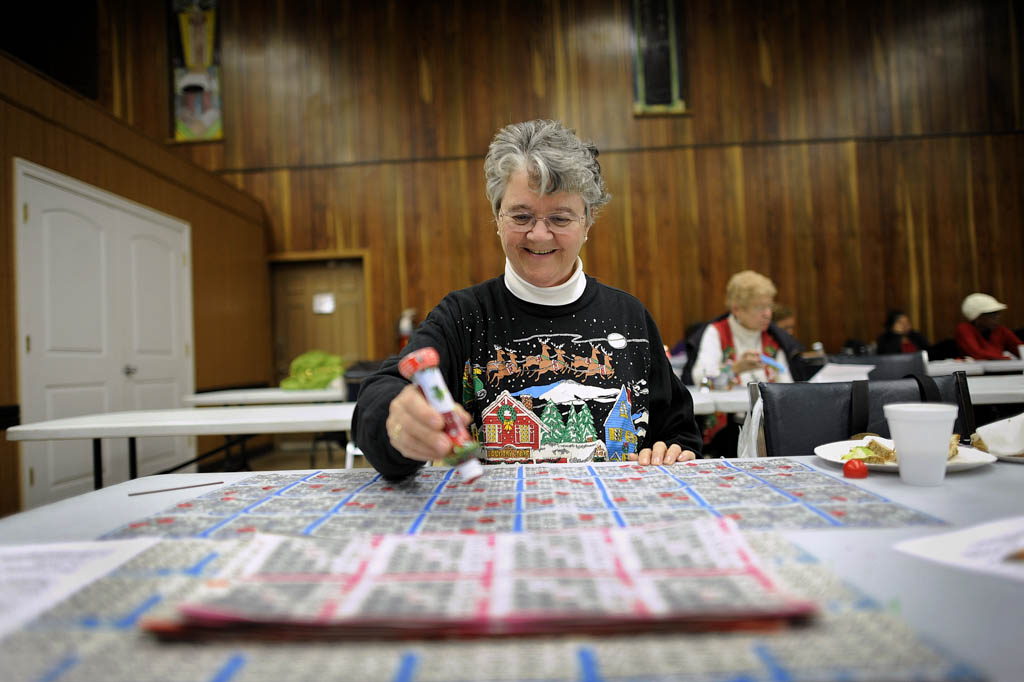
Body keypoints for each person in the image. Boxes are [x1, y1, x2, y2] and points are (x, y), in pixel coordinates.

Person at [352, 120, 701, 478]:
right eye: (521, 216)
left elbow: (679, 431)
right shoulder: (463, 317)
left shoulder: (630, 317)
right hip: (496, 526)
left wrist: (673, 450)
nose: (538, 234)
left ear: (588, 221)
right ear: (497, 217)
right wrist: (397, 422)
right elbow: (379, 399)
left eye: (560, 218)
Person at [686, 271, 802, 457]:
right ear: (736, 309)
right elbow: (701, 377)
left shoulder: (773, 337)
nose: (768, 314)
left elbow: (787, 385)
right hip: (728, 430)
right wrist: (736, 368)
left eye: (769, 306)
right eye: (759, 307)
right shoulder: (716, 332)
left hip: (769, 425)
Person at [955, 293, 1022, 360]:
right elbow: (977, 354)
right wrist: (1007, 359)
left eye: (998, 313)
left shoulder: (1001, 331)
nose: (997, 317)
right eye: (992, 314)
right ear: (977, 317)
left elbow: (1021, 350)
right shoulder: (965, 329)